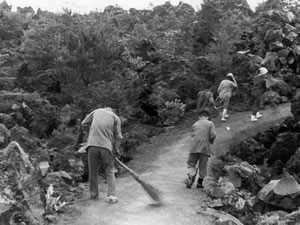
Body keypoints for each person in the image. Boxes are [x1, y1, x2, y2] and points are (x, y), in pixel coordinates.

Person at [81, 107, 123, 202]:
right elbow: (119, 137)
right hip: (106, 146)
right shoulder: (115, 117)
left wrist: (91, 132)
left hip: (92, 145)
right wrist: (116, 149)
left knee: (93, 171)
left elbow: (83, 123)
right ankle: (111, 195)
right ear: (112, 111)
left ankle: (93, 194)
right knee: (110, 170)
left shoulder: (96, 111)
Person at [186, 110, 216, 189]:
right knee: (203, 165)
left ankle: (191, 175)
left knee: (191, 163)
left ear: (200, 117)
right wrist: (210, 141)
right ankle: (200, 182)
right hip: (204, 148)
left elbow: (192, 135)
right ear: (207, 117)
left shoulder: (195, 123)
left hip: (194, 147)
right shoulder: (210, 123)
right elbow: (213, 135)